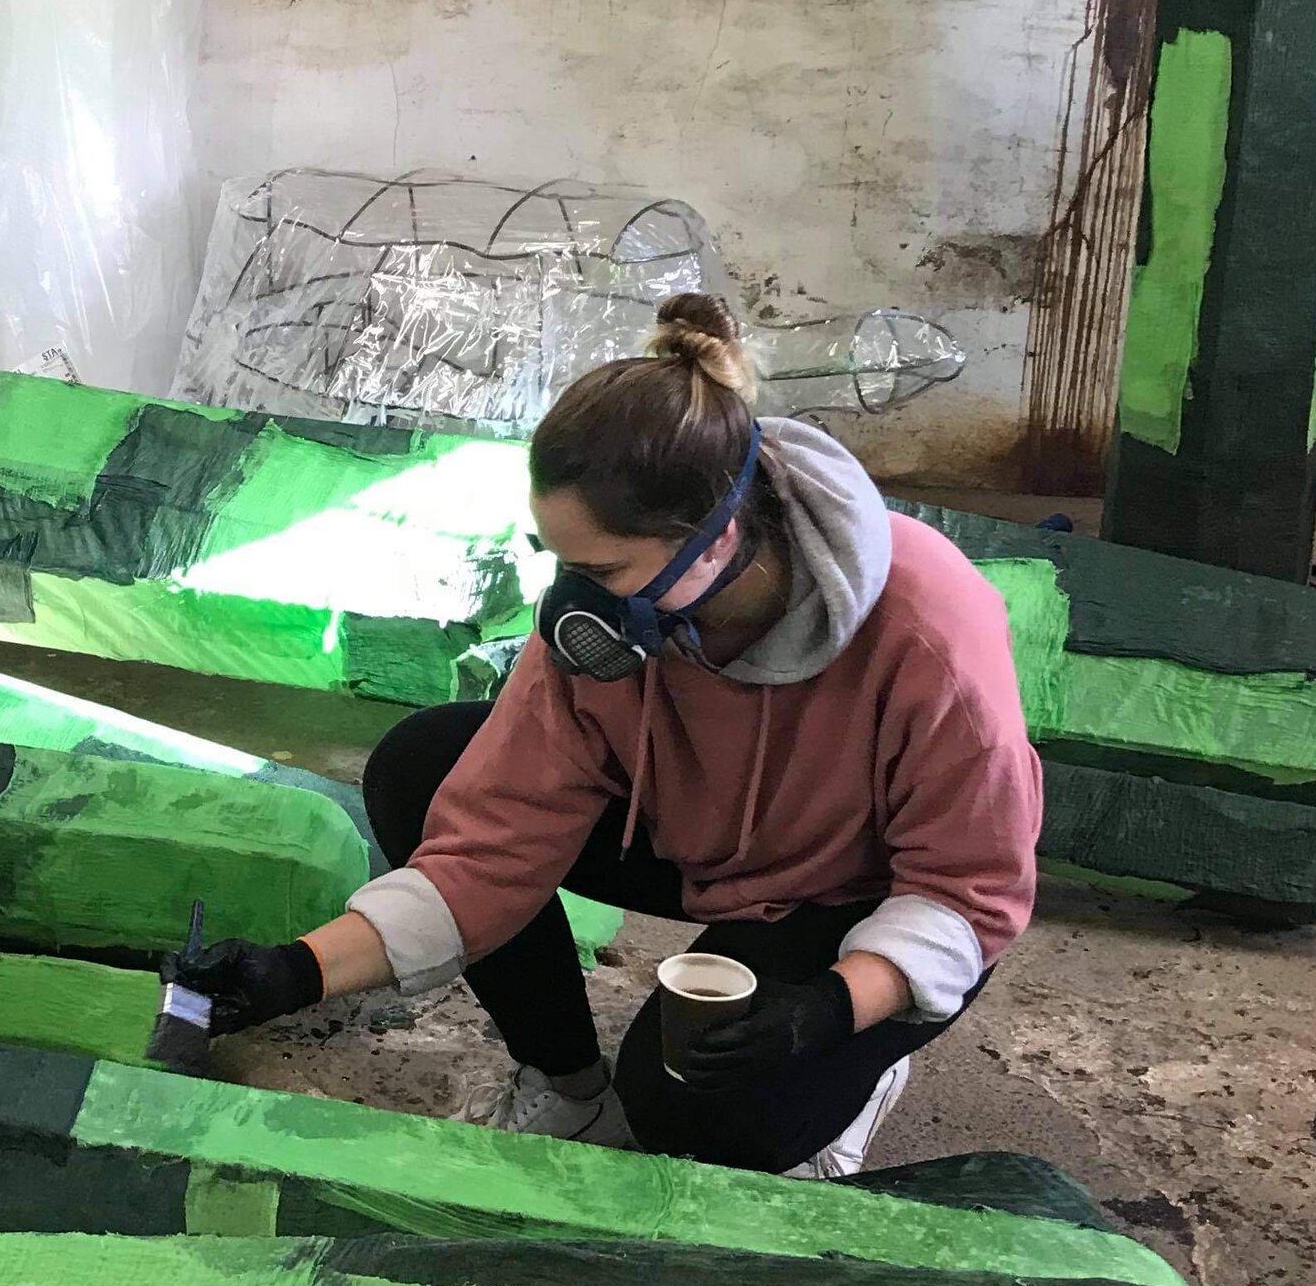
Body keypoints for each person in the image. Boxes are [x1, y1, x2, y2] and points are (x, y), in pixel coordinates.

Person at [185, 294, 1041, 1179]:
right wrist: (294, 972)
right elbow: (487, 852)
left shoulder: (928, 627)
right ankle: (569, 1090)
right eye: (561, 561)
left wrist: (833, 1004)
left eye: (600, 569)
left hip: (867, 895)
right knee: (424, 768)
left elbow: (971, 890)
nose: (573, 600)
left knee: (690, 1111)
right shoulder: (611, 633)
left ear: (716, 539)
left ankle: (859, 1076)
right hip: (713, 846)